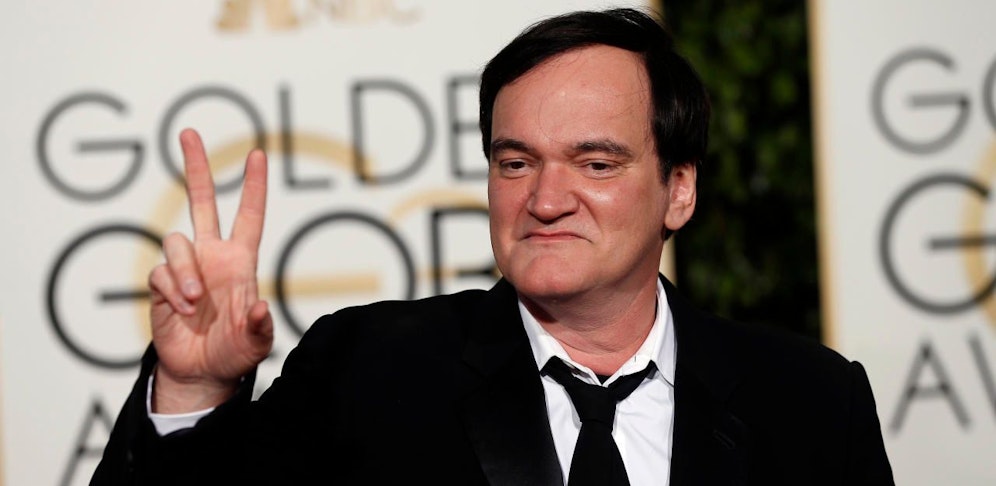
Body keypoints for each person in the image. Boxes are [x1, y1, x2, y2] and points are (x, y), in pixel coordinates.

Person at [93, 8, 894, 486]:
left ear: (678, 190)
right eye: (515, 163)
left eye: (595, 163)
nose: (545, 200)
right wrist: (193, 389)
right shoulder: (367, 371)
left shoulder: (812, 404)